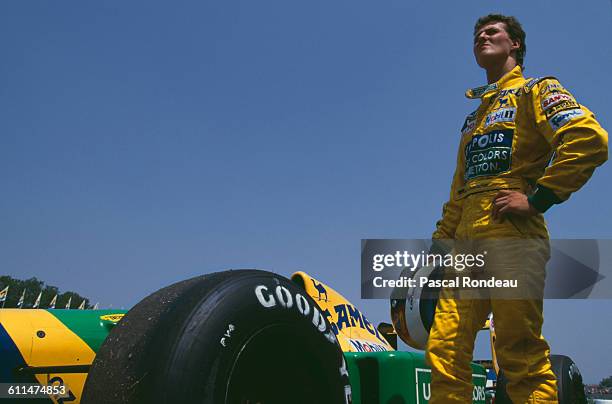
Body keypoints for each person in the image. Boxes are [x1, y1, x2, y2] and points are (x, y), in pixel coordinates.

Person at [426, 14, 608, 403]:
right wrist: (439, 247)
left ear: (515, 46)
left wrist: (539, 198)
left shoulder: (537, 90)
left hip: (512, 235)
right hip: (465, 248)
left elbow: (588, 139)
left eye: (492, 32)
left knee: (518, 353)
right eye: (477, 34)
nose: (481, 37)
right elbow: (460, 190)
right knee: (444, 350)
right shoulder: (474, 118)